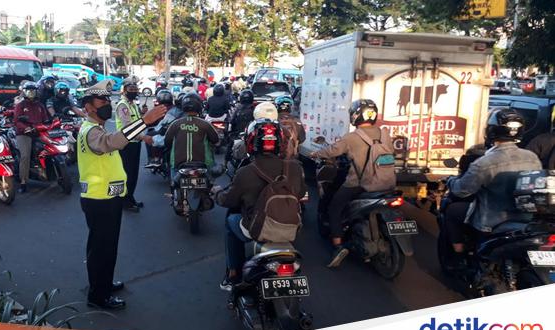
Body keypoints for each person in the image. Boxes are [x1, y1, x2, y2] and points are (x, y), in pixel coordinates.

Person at [78, 80, 167, 309]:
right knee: (102, 248)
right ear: (88, 107)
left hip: (108, 198)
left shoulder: (97, 128)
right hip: (100, 201)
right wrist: (144, 122)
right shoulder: (91, 132)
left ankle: (102, 284)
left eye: (109, 99)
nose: (108, 103)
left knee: (104, 247)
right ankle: (99, 296)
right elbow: (111, 142)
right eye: (102, 100)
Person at [214, 119, 306, 290]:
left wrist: (217, 193)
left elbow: (230, 201)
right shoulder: (295, 168)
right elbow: (301, 194)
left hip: (257, 229)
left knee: (230, 222)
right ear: (280, 142)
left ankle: (233, 273)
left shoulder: (245, 172)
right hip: (291, 227)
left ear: (250, 142)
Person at [310, 99, 395, 268]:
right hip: (387, 184)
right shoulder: (385, 134)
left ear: (356, 115)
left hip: (359, 185)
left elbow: (332, 151)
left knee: (334, 207)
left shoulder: (352, 137)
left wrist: (315, 153)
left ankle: (338, 245)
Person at [446, 108, 542, 254]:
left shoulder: (484, 163)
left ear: (491, 130)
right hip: (526, 219)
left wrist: (450, 181)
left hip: (491, 221)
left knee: (452, 211)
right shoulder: (532, 157)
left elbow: (462, 191)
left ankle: (458, 252)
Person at [164, 93, 220, 182]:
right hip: (203, 164)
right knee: (211, 178)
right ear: (199, 106)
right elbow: (216, 140)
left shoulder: (175, 124)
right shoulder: (205, 124)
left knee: (174, 181)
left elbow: (167, 141)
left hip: (178, 163)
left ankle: (174, 189)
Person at [115, 77, 145, 212]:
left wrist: (144, 113)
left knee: (133, 174)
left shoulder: (133, 104)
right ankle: (125, 201)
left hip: (135, 143)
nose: (133, 91)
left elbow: (137, 122)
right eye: (130, 89)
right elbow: (128, 127)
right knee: (127, 174)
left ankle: (130, 198)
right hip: (126, 144)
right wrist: (144, 137)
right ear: (125, 90)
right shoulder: (123, 106)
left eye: (135, 89)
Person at [14, 81, 50, 193]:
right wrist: (25, 128)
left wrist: (51, 124)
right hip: (25, 133)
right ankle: (23, 182)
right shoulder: (20, 105)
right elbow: (17, 121)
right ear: (24, 92)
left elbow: (46, 119)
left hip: (39, 131)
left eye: (33, 90)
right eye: (28, 90)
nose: (31, 93)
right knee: (25, 156)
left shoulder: (40, 105)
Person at [144, 89, 174, 168]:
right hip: (173, 131)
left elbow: (154, 121)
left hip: (166, 131)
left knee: (148, 136)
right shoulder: (176, 109)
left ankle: (154, 159)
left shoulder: (160, 109)